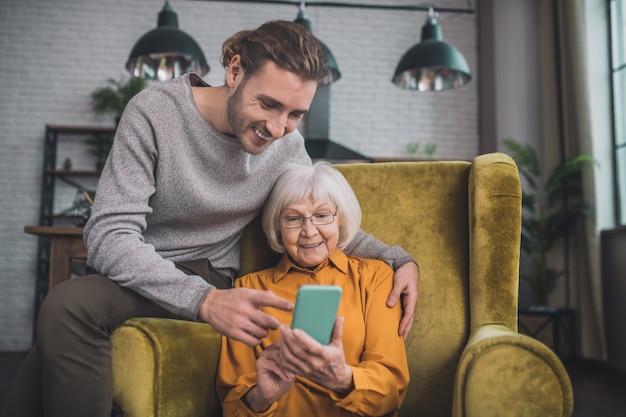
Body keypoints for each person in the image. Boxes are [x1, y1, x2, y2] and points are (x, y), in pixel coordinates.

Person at [1, 20, 418, 417]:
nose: (277, 128)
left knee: (65, 308)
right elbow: (109, 235)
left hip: (210, 272)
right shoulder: (155, 113)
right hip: (146, 270)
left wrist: (398, 259)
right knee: (63, 319)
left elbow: (319, 215)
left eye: (295, 114)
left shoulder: (288, 145)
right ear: (235, 70)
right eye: (268, 104)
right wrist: (203, 301)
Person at [217, 162, 410, 416]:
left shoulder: (376, 278)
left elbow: (392, 389)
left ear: (339, 219)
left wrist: (342, 378)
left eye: (321, 216)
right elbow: (232, 404)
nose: (309, 231)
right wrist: (261, 396)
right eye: (293, 219)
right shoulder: (247, 290)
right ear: (277, 226)